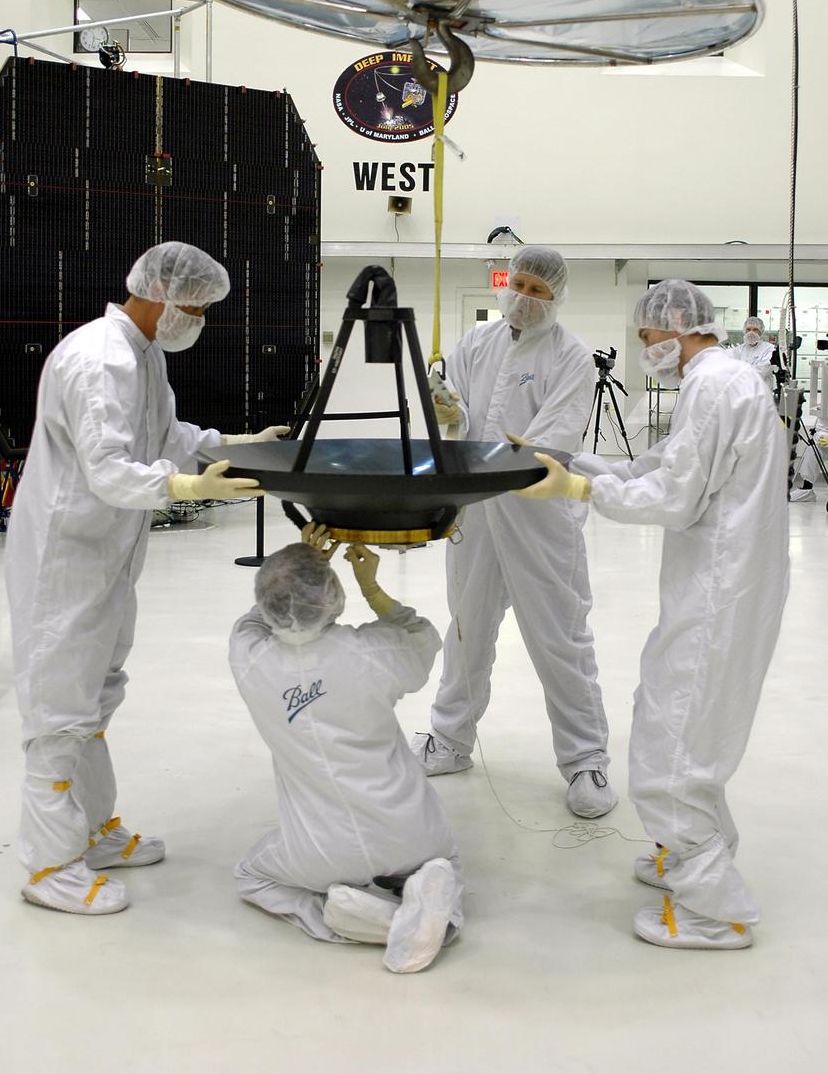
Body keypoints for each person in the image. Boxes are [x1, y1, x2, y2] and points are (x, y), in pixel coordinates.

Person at [6, 241, 289, 915]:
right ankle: (48, 867)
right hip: (65, 558)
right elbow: (108, 469)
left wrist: (236, 444)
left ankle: (94, 830)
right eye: (194, 306)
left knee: (96, 696)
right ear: (159, 294)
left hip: (106, 551)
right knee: (59, 710)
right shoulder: (100, 360)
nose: (198, 319)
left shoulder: (143, 354)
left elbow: (164, 436)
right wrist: (191, 485)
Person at [514, 279, 789, 949]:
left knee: (672, 744)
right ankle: (695, 851)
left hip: (717, 591)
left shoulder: (713, 387)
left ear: (675, 327)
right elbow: (660, 463)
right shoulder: (724, 382)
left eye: (647, 339)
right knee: (689, 726)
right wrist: (577, 461)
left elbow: (670, 498)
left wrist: (579, 488)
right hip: (729, 584)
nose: (646, 351)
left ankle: (712, 911)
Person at [411, 245, 616, 820]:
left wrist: (476, 442)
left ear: (557, 299)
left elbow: (549, 443)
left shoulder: (571, 357)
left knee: (559, 636)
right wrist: (446, 412)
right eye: (519, 285)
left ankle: (585, 760)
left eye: (538, 291)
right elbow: (452, 415)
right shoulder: (476, 343)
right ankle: (449, 740)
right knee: (466, 628)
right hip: (474, 511)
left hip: (537, 514)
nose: (524, 298)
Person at [230, 525, 463, 974]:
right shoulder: (371, 652)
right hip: (412, 832)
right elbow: (421, 635)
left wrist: (300, 560)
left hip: (318, 853)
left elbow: (254, 620)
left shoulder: (250, 661)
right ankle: (432, 905)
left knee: (251, 875)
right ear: (331, 596)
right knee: (445, 861)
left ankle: (354, 918)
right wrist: (371, 587)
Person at [729, 316, 776, 389]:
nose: (751, 332)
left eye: (755, 330)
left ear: (761, 331)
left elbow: (761, 371)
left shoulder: (769, 349)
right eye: (748, 329)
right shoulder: (739, 349)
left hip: (762, 394)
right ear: (745, 331)